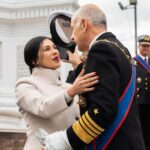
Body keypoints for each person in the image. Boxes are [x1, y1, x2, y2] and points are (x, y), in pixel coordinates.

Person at [36, 4, 146, 150]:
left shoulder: (100, 49)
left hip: (114, 143)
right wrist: (79, 66)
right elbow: (105, 88)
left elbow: (103, 110)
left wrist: (65, 140)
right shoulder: (118, 47)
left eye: (73, 29)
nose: (72, 37)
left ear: (84, 24)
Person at [15, 36, 99, 150]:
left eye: (54, 47)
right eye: (47, 49)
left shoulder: (68, 87)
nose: (55, 51)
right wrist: (72, 91)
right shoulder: (24, 85)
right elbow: (42, 108)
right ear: (33, 60)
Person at [134, 35, 150, 149]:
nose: (146, 48)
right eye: (143, 46)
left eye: (148, 46)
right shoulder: (132, 63)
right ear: (138, 46)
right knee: (139, 128)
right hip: (138, 102)